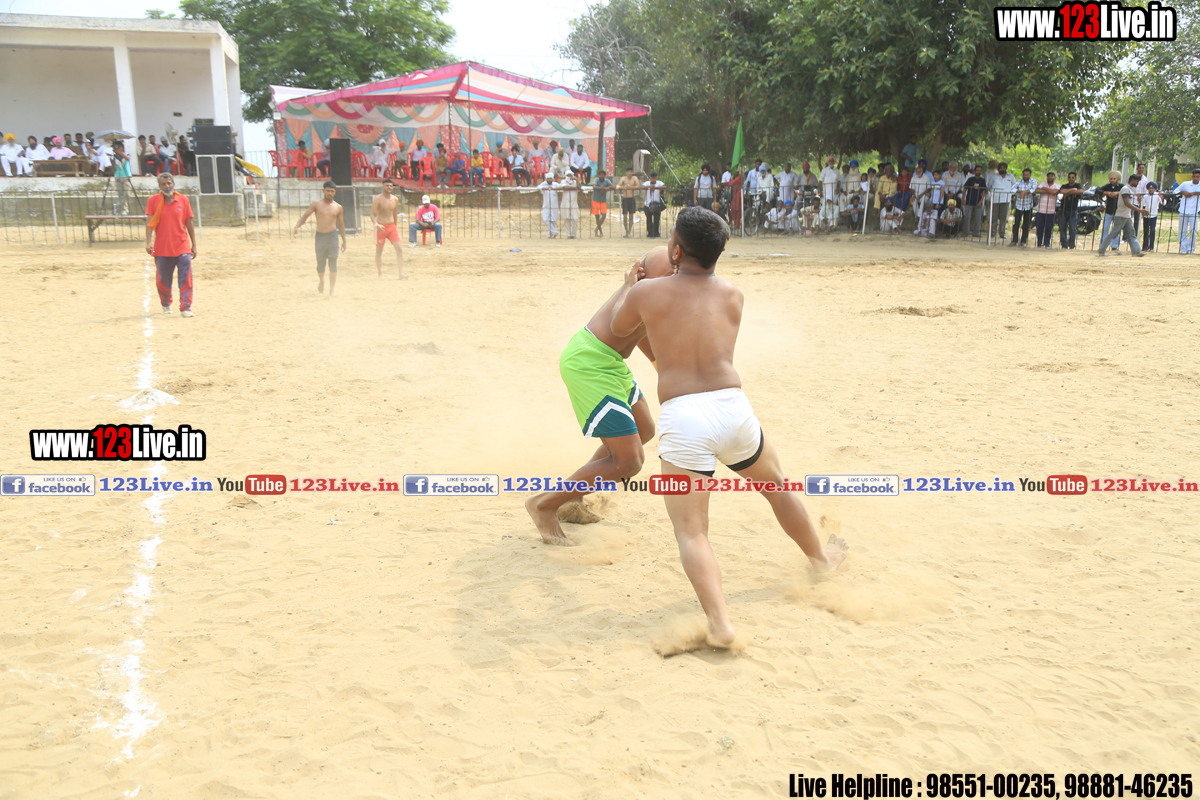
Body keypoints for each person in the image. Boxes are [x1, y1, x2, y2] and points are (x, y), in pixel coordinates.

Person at [610, 207, 849, 649]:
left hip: (685, 416)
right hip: (733, 408)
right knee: (778, 487)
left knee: (692, 531)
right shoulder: (733, 295)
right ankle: (820, 559)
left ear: (676, 251)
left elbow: (618, 326)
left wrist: (630, 286)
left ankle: (721, 624)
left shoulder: (646, 293)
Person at [524, 248, 676, 545]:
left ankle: (573, 495)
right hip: (589, 364)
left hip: (610, 363)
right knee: (629, 461)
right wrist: (629, 285)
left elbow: (643, 331)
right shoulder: (644, 287)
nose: (675, 277)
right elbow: (622, 319)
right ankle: (544, 504)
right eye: (670, 273)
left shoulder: (661, 289)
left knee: (644, 429)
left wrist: (660, 367)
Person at [145, 172, 197, 317]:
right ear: (159, 186)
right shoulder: (153, 201)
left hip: (182, 245)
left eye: (169, 183)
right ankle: (166, 303)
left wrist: (194, 244)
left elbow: (189, 223)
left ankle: (185, 307)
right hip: (162, 247)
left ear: (173, 184)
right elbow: (149, 223)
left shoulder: (183, 200)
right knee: (163, 278)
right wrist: (149, 242)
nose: (167, 186)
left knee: (186, 277)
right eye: (163, 184)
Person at [293, 180, 347, 295]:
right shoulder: (316, 204)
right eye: (328, 190)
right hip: (320, 237)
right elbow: (306, 216)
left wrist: (344, 241)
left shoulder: (338, 207)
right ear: (323, 191)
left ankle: (332, 290)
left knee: (333, 263)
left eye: (332, 191)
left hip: (332, 237)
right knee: (321, 264)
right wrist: (297, 226)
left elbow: (341, 225)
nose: (330, 193)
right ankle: (322, 280)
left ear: (335, 192)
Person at [1096, 173, 1146, 257]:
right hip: (1121, 215)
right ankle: (1101, 250)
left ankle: (1136, 251)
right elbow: (1127, 203)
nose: (1137, 183)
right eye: (1137, 181)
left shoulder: (1128, 189)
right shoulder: (1125, 189)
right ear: (1133, 180)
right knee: (1114, 233)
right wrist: (1139, 210)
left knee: (1131, 234)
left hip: (1126, 216)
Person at [370, 178, 405, 278]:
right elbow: (372, 214)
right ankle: (380, 273)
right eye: (387, 185)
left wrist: (395, 226)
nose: (389, 187)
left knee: (399, 249)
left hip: (391, 227)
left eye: (390, 186)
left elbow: (394, 214)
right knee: (379, 251)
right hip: (380, 226)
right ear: (383, 187)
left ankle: (401, 273)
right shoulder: (378, 199)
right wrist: (376, 224)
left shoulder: (395, 199)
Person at [1096, 171, 1125, 252]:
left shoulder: (1121, 186)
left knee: (1117, 229)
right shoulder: (1107, 186)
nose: (1112, 180)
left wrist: (1116, 193)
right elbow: (1098, 190)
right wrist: (1108, 193)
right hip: (1109, 210)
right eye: (1111, 179)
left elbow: (1127, 191)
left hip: (1118, 210)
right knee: (1105, 228)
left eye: (1114, 179)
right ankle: (1103, 245)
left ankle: (1115, 246)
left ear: (1117, 179)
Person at [987, 162, 1016, 242]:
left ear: (1006, 168)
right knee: (994, 217)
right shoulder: (994, 177)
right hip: (995, 199)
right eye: (1001, 167)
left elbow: (1014, 186)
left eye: (1004, 167)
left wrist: (1010, 194)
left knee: (1003, 217)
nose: (1002, 169)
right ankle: (993, 232)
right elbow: (989, 186)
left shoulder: (1011, 176)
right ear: (998, 168)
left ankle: (1002, 233)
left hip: (1006, 199)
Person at [1008, 168, 1037, 247]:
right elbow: (1012, 189)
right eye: (1024, 174)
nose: (1025, 176)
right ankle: (1014, 240)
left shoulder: (1033, 181)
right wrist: (1021, 192)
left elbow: (1033, 189)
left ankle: (1023, 241)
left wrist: (1024, 192)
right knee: (1016, 223)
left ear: (1030, 175)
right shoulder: (1019, 182)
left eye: (1027, 174)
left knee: (1026, 224)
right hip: (1019, 205)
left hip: (1028, 206)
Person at [1034, 171, 1061, 248]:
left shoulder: (1057, 185)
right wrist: (1050, 191)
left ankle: (1047, 243)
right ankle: (1039, 243)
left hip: (1051, 211)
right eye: (1049, 176)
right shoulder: (1043, 183)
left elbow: (1055, 192)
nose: (1050, 177)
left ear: (1054, 177)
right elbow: (1037, 190)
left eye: (1052, 176)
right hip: (1040, 210)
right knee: (1039, 227)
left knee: (1049, 228)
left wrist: (1045, 189)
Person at [1058, 172, 1084, 249]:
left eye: (1073, 177)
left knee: (1073, 228)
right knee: (1062, 228)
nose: (1071, 178)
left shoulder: (1078, 185)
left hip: (1073, 209)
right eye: (1069, 177)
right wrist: (1072, 190)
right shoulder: (1064, 185)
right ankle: (1064, 245)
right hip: (1063, 209)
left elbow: (1080, 191)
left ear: (1075, 178)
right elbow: (1062, 191)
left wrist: (1068, 192)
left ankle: (1071, 244)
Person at [1178, 168, 1200, 255]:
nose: (1195, 178)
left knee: (1193, 231)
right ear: (1192, 176)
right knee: (1182, 231)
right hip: (1183, 210)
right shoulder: (1185, 184)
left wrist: (1194, 193)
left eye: (1197, 177)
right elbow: (1175, 191)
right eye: (1194, 176)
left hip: (1194, 211)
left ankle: (1191, 249)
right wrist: (1183, 192)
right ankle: (1183, 249)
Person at [962, 165, 987, 237]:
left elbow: (983, 191)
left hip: (978, 200)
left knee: (978, 218)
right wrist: (964, 198)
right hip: (969, 200)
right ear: (974, 171)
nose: (978, 172)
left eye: (980, 170)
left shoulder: (982, 180)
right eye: (977, 170)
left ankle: (976, 232)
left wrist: (981, 200)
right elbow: (965, 188)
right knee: (967, 217)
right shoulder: (970, 179)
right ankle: (965, 232)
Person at [538, 172, 562, 238]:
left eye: (550, 178)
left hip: (554, 205)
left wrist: (554, 189)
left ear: (552, 179)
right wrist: (545, 188)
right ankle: (555, 232)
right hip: (546, 205)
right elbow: (538, 187)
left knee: (553, 220)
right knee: (545, 219)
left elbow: (562, 187)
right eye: (548, 179)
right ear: (546, 179)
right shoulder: (544, 184)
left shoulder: (555, 184)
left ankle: (550, 235)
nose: (549, 180)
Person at [643, 171, 666, 238]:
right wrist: (649, 187)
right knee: (649, 219)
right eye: (652, 178)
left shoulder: (659, 183)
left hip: (656, 204)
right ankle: (650, 233)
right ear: (650, 178)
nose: (653, 179)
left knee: (656, 219)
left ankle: (656, 233)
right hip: (647, 204)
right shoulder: (647, 183)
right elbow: (642, 187)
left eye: (655, 178)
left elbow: (664, 187)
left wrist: (655, 188)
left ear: (656, 178)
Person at [1142, 181, 1163, 252]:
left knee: (1152, 230)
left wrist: (1162, 197)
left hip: (1153, 215)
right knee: (1145, 231)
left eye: (1152, 188)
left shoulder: (1157, 195)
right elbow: (1142, 204)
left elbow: (1163, 203)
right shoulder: (1145, 196)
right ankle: (1145, 246)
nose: (1151, 190)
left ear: (1155, 189)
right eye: (1150, 188)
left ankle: (1151, 246)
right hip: (1146, 216)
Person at [591, 169, 613, 236]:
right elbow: (594, 187)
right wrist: (604, 188)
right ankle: (600, 231)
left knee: (604, 216)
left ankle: (596, 229)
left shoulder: (607, 181)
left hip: (603, 201)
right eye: (600, 174)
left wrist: (606, 188)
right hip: (595, 200)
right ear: (598, 175)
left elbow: (613, 186)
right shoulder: (596, 180)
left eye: (602, 174)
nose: (601, 176)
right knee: (597, 217)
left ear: (604, 175)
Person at [559, 171, 580, 238]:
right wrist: (575, 188)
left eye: (570, 175)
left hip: (574, 203)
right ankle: (569, 234)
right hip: (565, 203)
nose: (569, 177)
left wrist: (576, 179)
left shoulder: (575, 182)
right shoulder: (563, 181)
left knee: (575, 218)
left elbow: (579, 187)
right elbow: (565, 188)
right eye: (568, 175)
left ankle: (574, 234)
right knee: (566, 218)